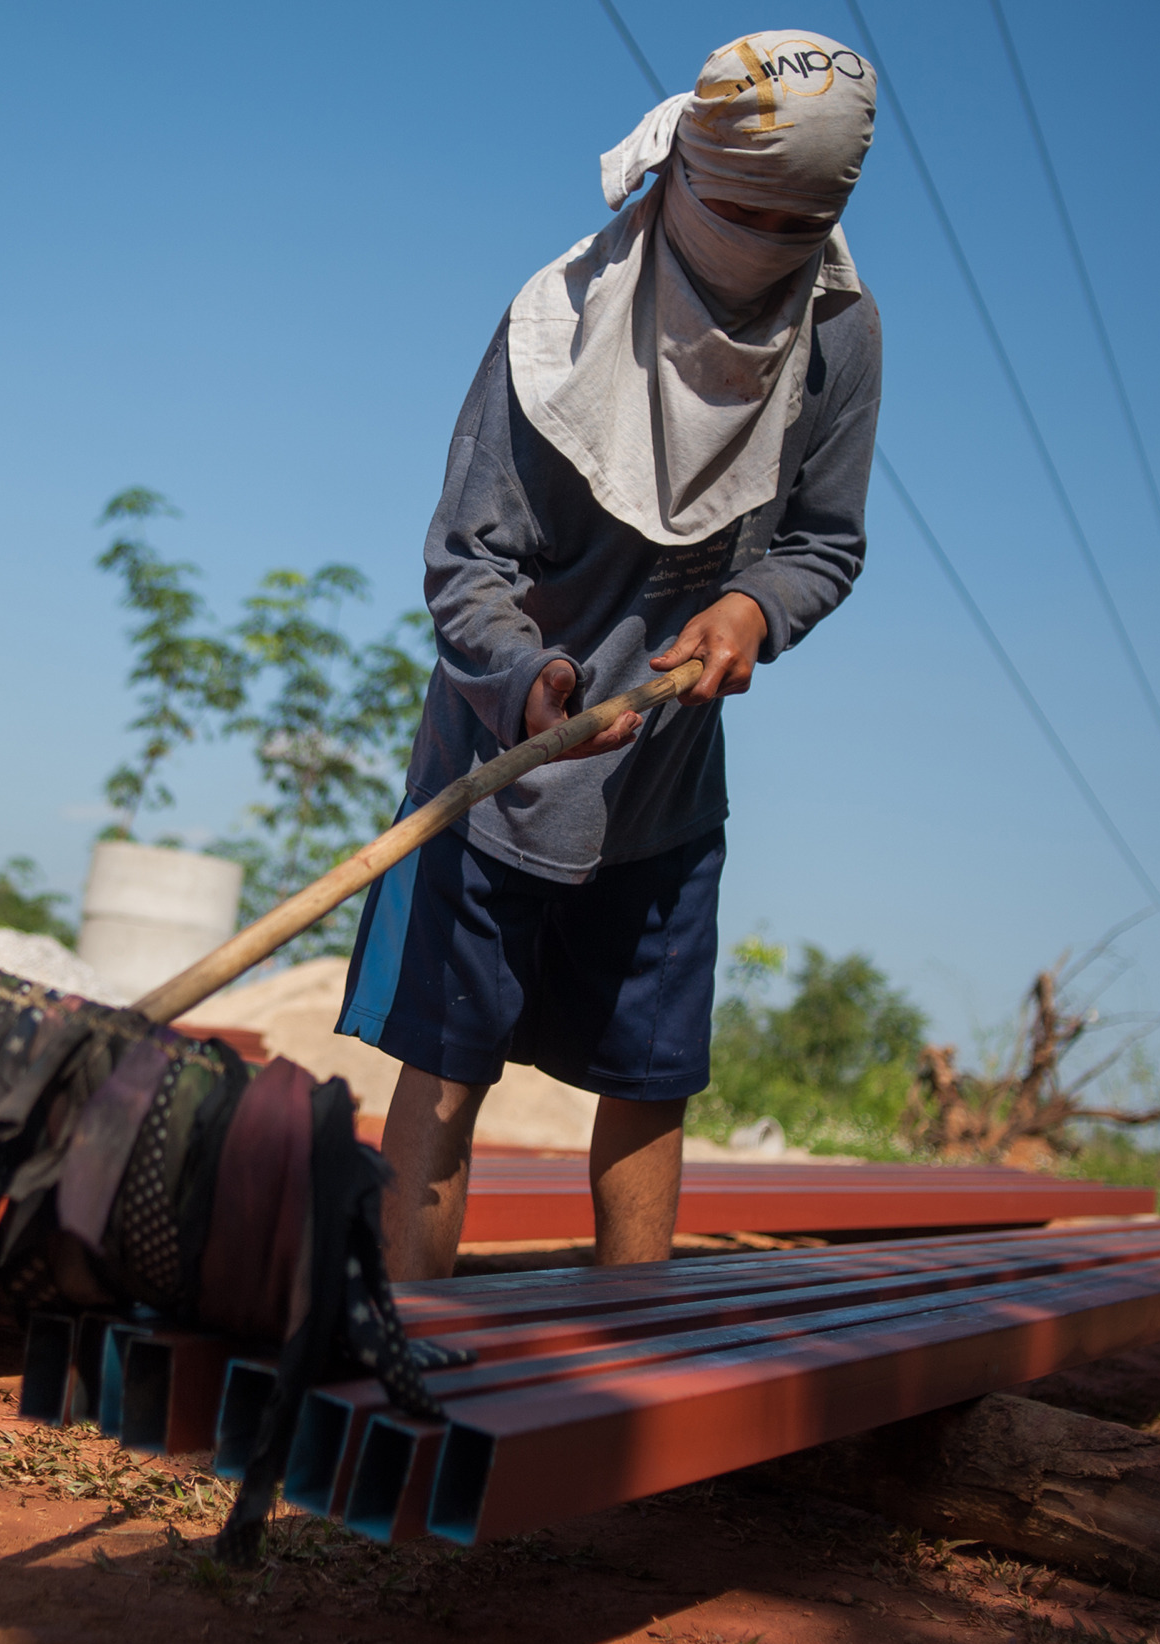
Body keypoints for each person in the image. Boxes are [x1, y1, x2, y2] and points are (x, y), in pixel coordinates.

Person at [336, 31, 882, 1279]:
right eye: (736, 211)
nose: (759, 245)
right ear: (680, 174)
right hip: (499, 771)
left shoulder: (837, 335)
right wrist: (527, 681)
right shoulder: (555, 325)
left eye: (792, 224)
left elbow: (820, 544)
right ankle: (405, 1352)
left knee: (646, 1084)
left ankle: (631, 1381)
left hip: (663, 792)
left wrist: (752, 613)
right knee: (448, 1072)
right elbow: (464, 564)